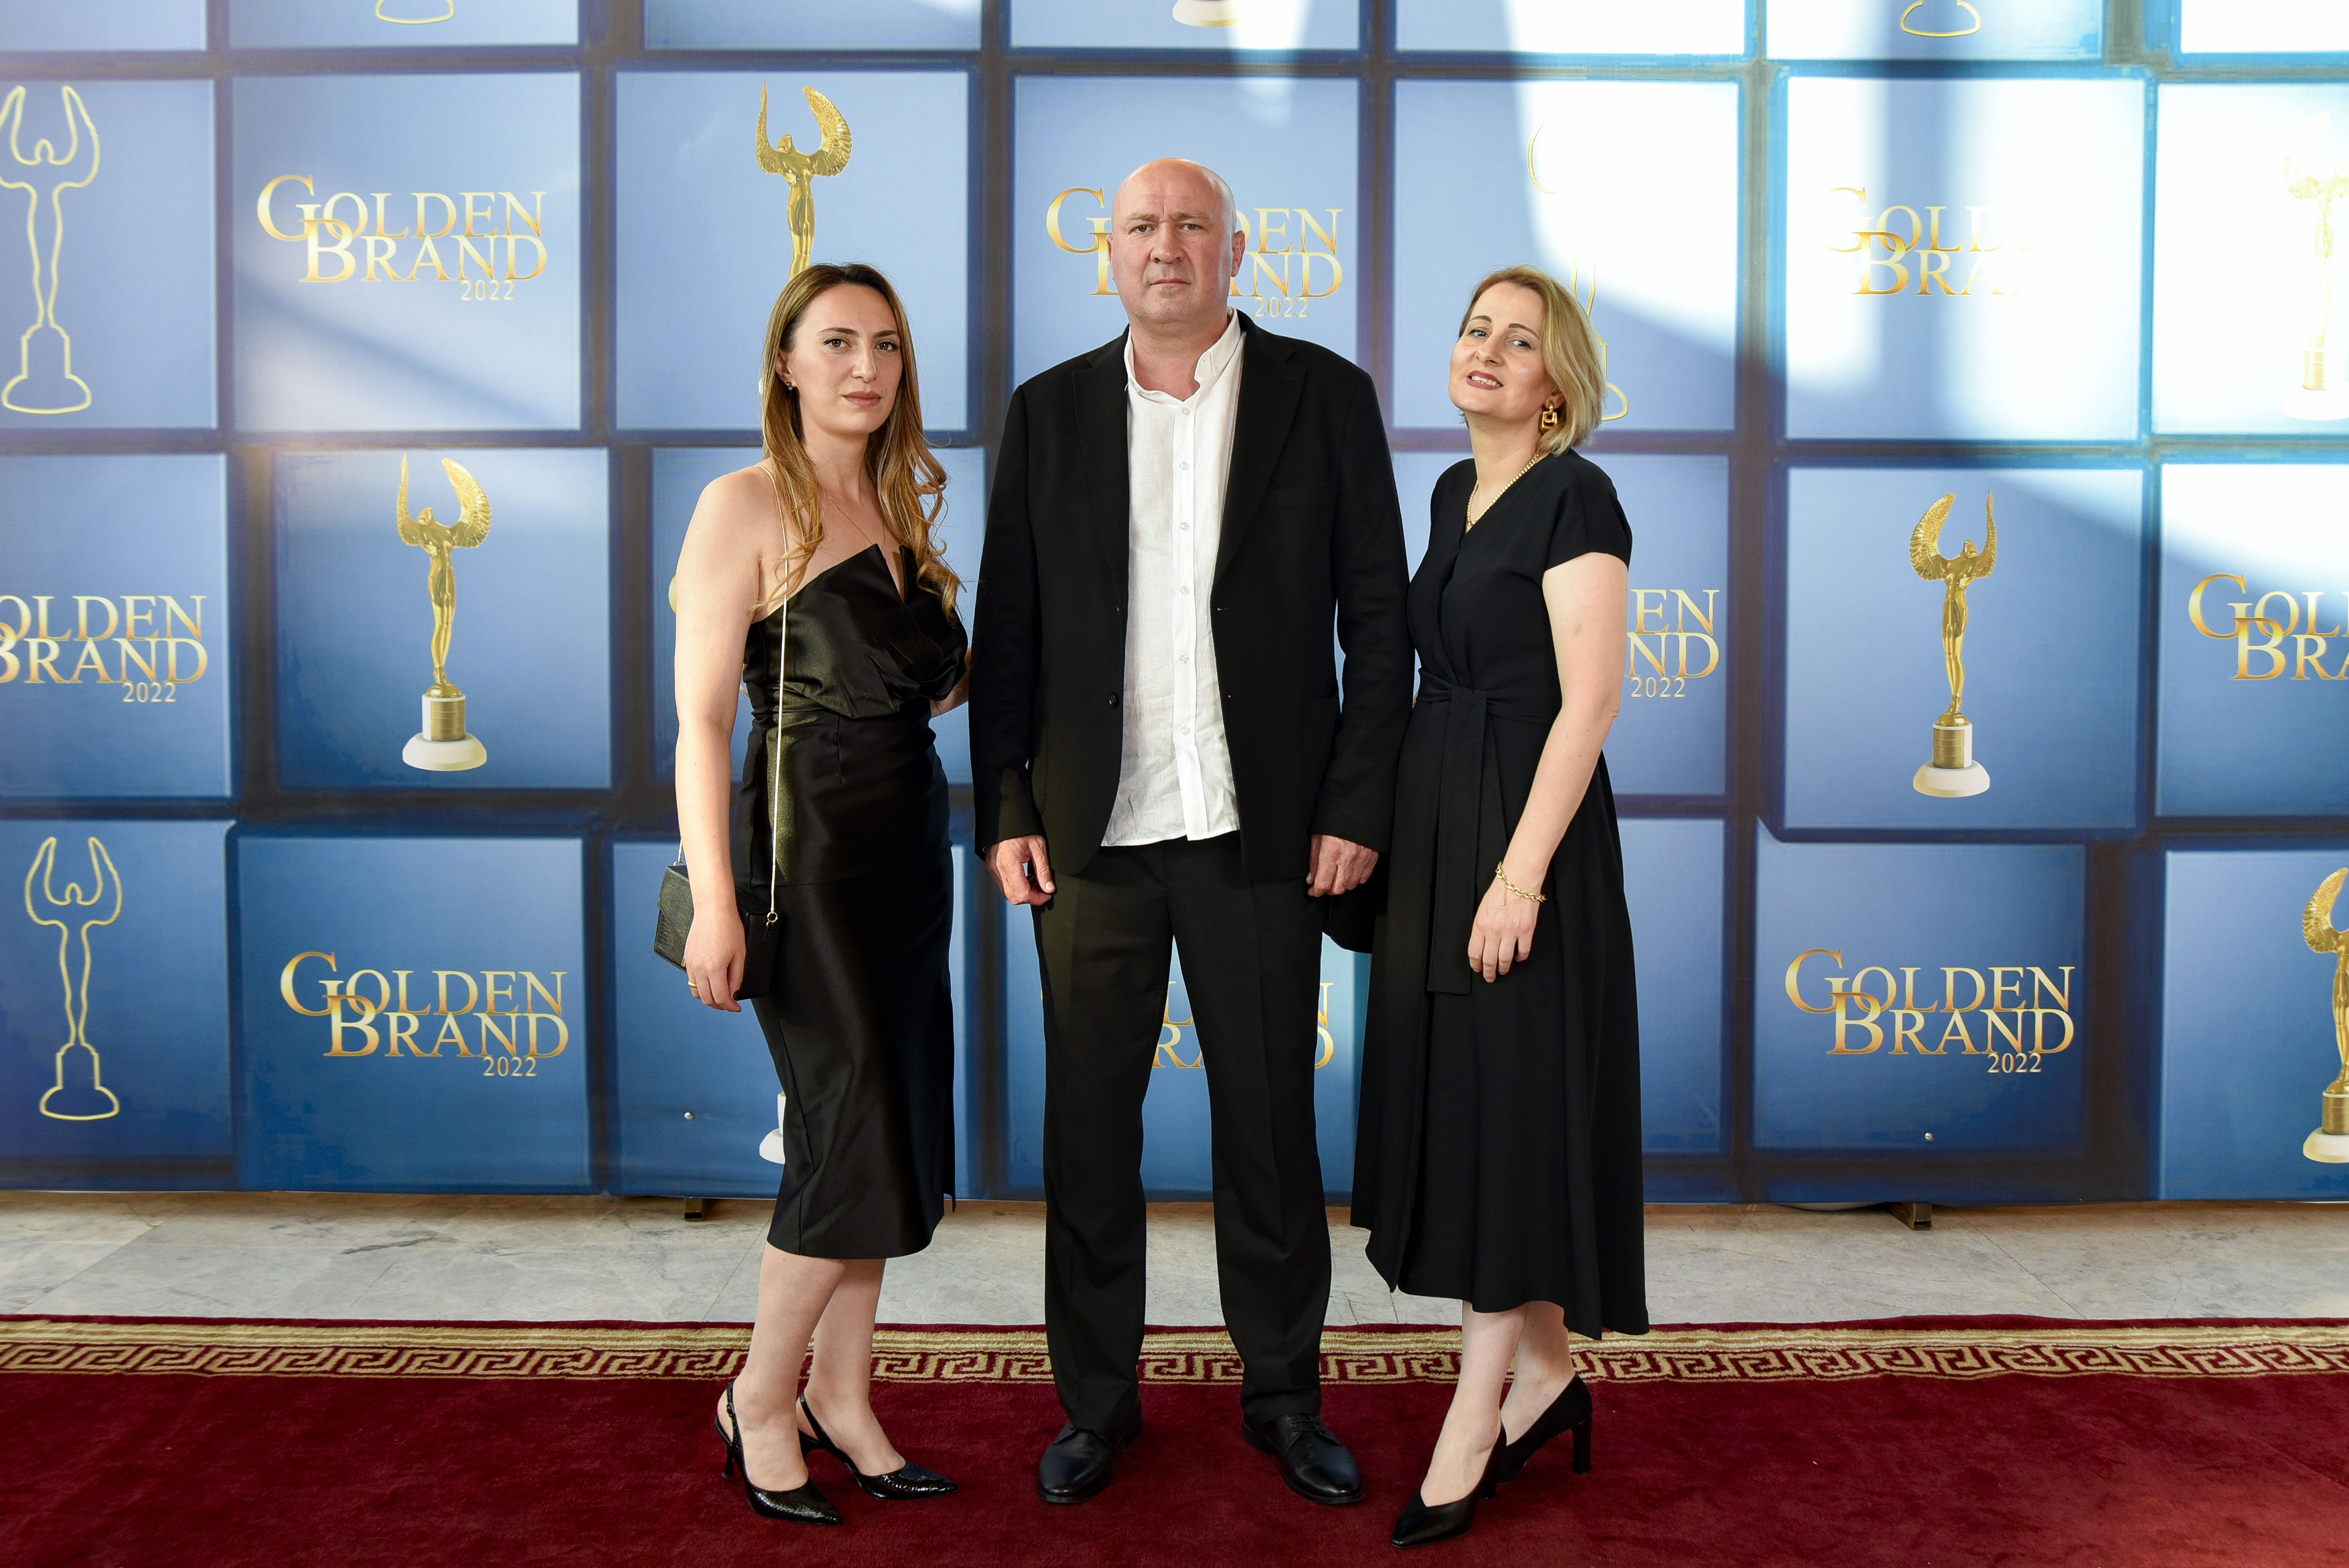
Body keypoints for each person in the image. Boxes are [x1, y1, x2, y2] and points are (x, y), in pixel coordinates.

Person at [970, 158, 1412, 1507]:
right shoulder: (1047, 412)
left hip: (1261, 835)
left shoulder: (1325, 398)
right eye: (1141, 227)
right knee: (1089, 1139)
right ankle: (1096, 1408)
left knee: (1272, 1136)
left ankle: (1284, 1401)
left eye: (1191, 226)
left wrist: (1356, 805)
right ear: (1108, 252)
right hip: (1089, 839)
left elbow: (1379, 620)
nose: (1166, 246)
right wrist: (1005, 806)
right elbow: (1008, 630)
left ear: (1237, 248)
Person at [1351, 265, 1650, 1550]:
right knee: (1478, 1111)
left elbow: (1592, 701)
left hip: (1527, 839)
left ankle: (1473, 1421)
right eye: (1476, 328)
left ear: (1557, 384)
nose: (1486, 350)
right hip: (1439, 831)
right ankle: (1545, 1376)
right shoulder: (1449, 493)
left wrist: (1519, 877)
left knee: (1504, 1122)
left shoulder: (1579, 495)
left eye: (1519, 341)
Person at [673, 261, 967, 1526]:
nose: (866, 367)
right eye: (837, 342)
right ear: (786, 364)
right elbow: (699, 723)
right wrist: (720, 904)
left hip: (908, 862)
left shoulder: (898, 510)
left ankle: (844, 1397)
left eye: (886, 345)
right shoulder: (741, 504)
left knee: (886, 1137)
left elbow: (931, 685)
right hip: (804, 867)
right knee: (845, 1136)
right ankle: (760, 1397)